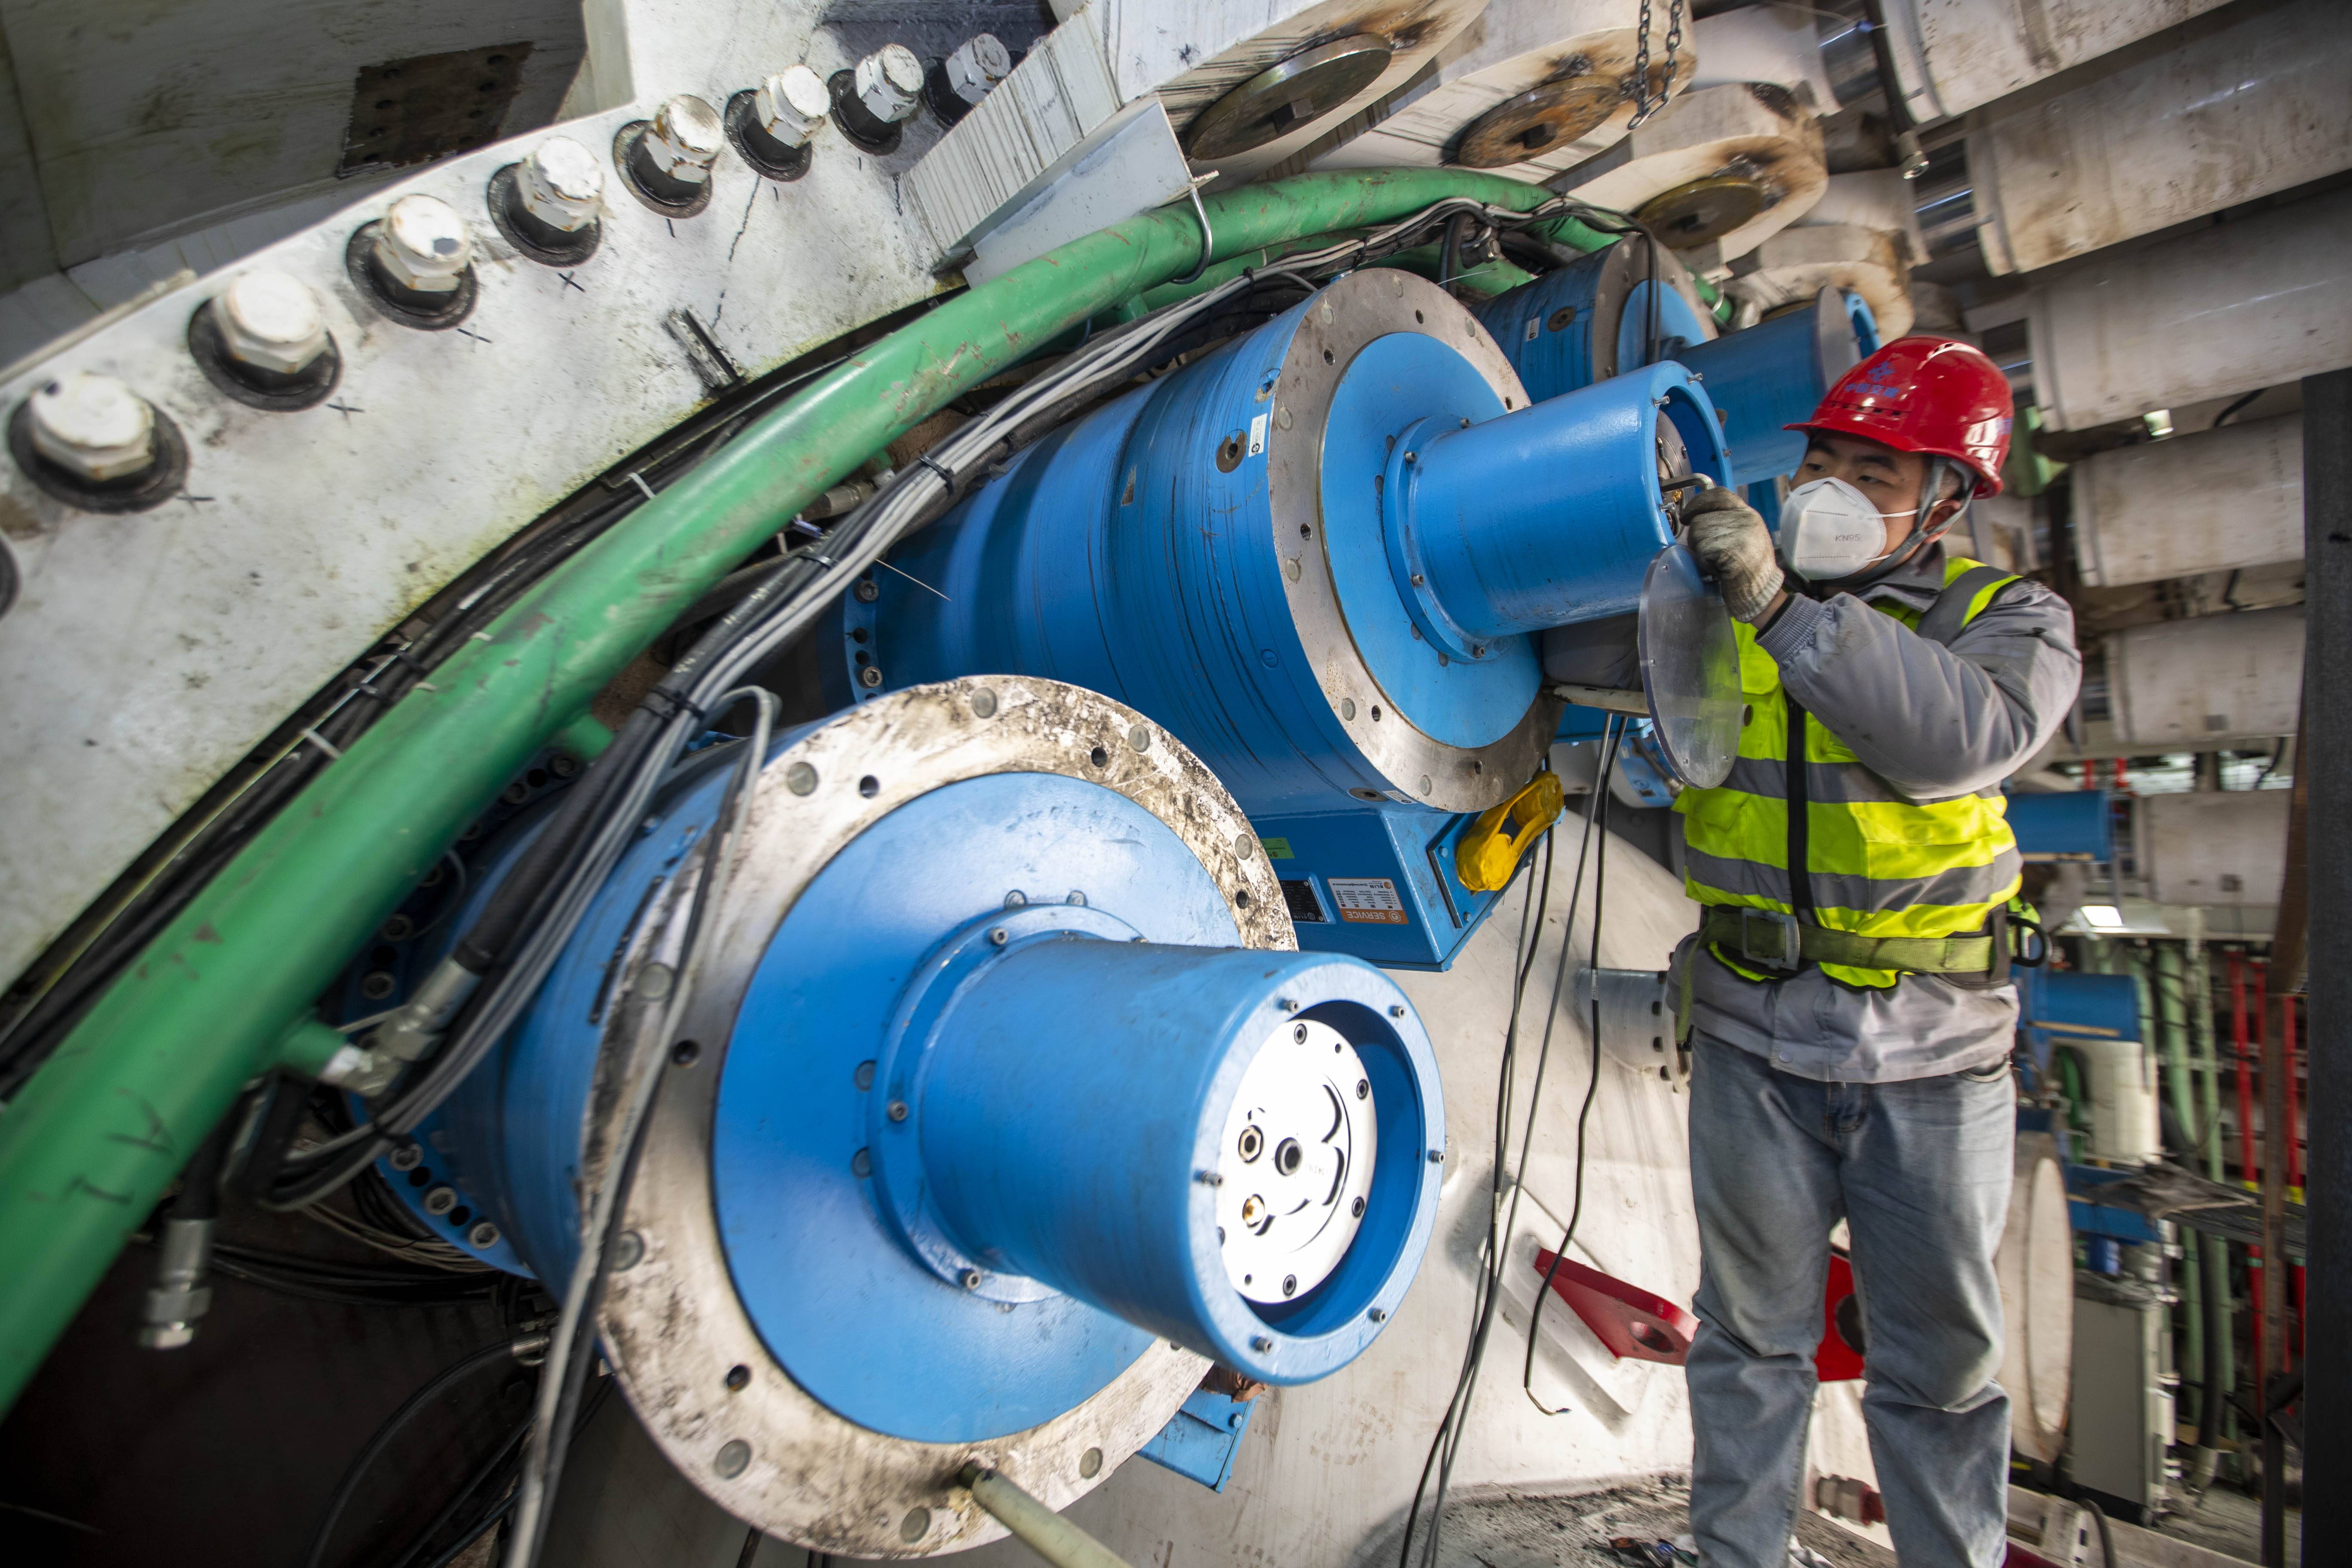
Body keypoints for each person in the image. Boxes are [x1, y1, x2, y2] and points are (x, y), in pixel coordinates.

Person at [1672, 337, 2082, 1568]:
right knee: (1747, 1340)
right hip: (1754, 1037)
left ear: (1948, 501)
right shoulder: (1732, 602)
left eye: (1878, 470)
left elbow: (1956, 738)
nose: (1834, 490)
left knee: (1938, 1370)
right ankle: (1730, 1554)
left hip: (1934, 1058)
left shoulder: (2008, 620)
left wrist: (1784, 610)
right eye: (1823, 460)